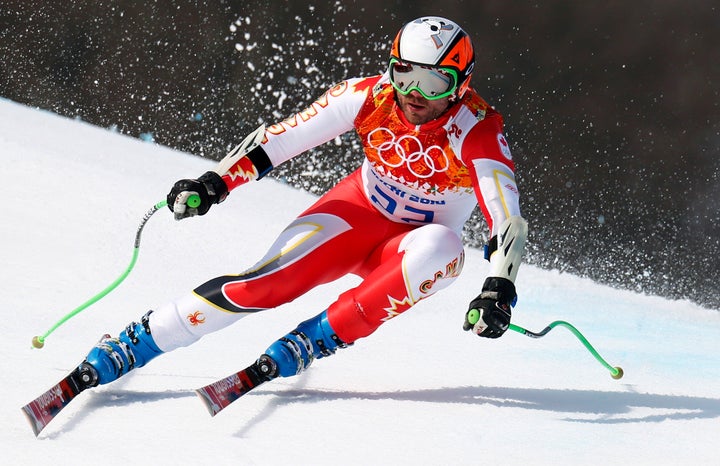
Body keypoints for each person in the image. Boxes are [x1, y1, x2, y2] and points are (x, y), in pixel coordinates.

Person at [76, 16, 528, 389]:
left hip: (409, 253)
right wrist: (216, 182)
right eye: (405, 73)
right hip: (357, 217)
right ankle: (135, 343)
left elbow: (505, 218)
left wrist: (498, 288)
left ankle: (316, 339)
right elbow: (282, 139)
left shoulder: (477, 128)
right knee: (264, 283)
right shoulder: (368, 96)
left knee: (446, 248)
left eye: (433, 82)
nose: (414, 93)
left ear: (461, 84)